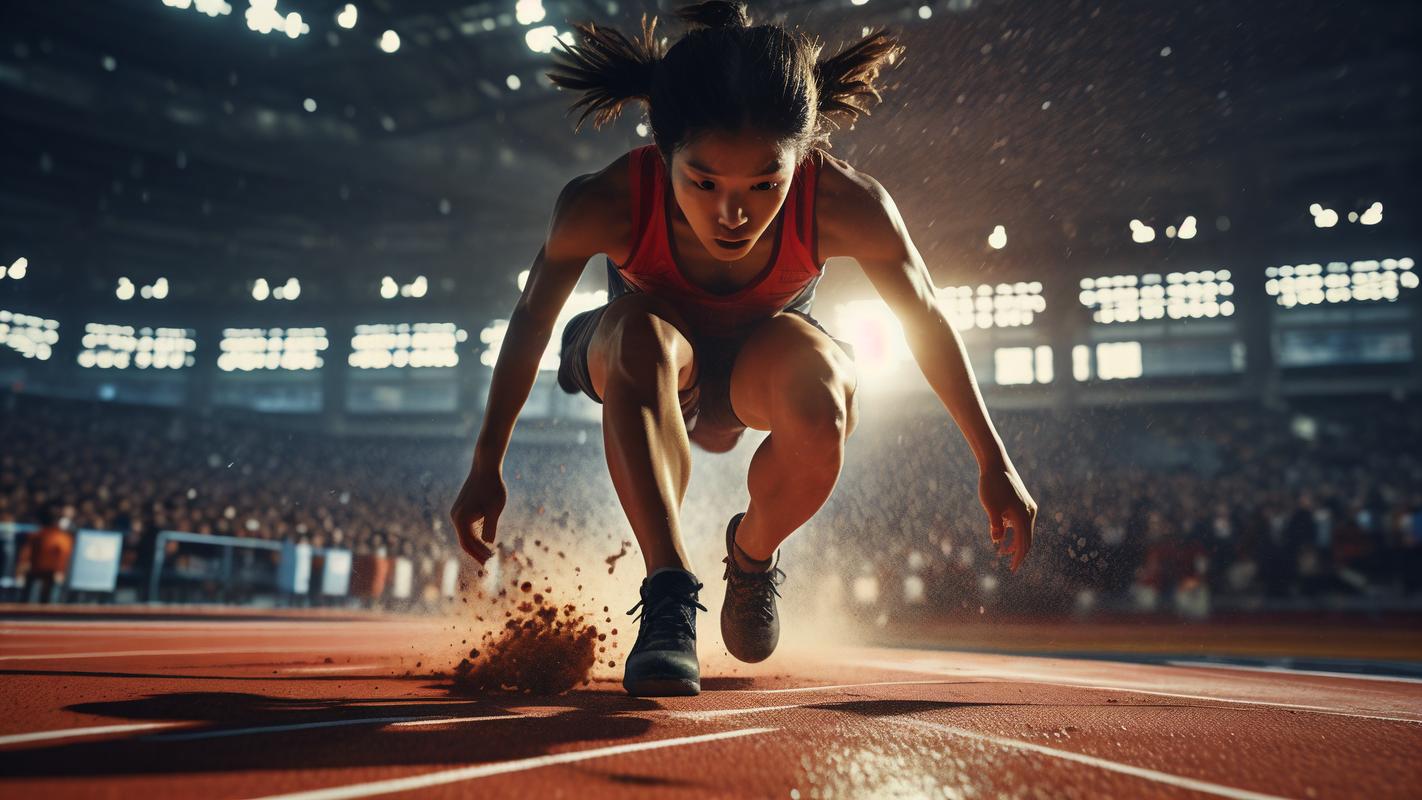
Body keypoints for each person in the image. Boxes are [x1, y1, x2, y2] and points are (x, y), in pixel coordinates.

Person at [449, 1, 1037, 696]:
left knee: (825, 391)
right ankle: (668, 592)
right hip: (651, 363)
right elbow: (530, 323)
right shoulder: (603, 202)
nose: (734, 214)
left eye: (766, 185)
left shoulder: (846, 202)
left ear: (804, 157)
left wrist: (993, 461)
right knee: (638, 332)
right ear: (663, 152)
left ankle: (751, 558)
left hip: (760, 367)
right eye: (704, 183)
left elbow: (928, 319)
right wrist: (487, 462)